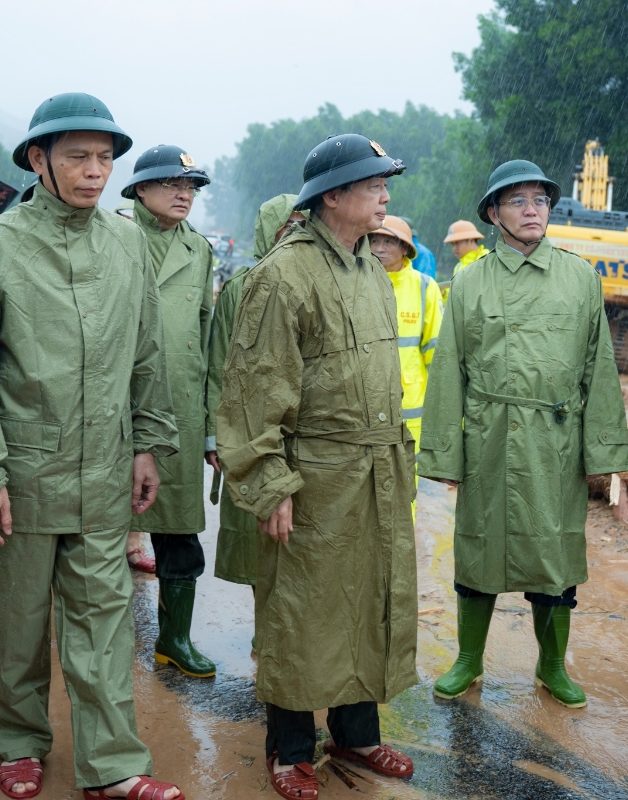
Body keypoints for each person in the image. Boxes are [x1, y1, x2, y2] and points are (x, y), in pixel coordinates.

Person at [0, 92, 184, 800]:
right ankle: (17, 741)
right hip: (23, 473)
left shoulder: (126, 241)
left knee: (105, 622)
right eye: (77, 156)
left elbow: (146, 353)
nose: (94, 171)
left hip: (106, 469)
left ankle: (112, 766)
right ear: (38, 160)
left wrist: (147, 443)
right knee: (15, 620)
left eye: (105, 158)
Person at [217, 134, 417, 800]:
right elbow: (253, 390)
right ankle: (291, 746)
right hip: (314, 477)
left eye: (386, 184)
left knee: (365, 603)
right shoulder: (284, 274)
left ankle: (357, 733)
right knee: (301, 612)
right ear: (332, 195)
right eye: (373, 184)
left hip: (374, 473)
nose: (386, 195)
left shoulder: (369, 270)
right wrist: (270, 482)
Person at [417, 160, 628, 708]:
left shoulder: (580, 277)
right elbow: (450, 369)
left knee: (554, 551)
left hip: (555, 440)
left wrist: (604, 452)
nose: (533, 209)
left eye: (539, 199)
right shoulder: (470, 279)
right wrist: (444, 453)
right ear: (493, 215)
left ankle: (551, 665)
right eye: (518, 201)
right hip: (490, 435)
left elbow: (598, 368)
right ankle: (468, 659)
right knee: (479, 548)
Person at [121, 144, 216, 678]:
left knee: (179, 533)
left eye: (192, 187)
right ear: (138, 190)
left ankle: (173, 639)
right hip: (114, 406)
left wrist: (210, 429)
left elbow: (203, 340)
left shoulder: (198, 250)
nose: (185, 194)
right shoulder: (111, 236)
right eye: (172, 184)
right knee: (98, 528)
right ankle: (92, 642)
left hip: (178, 409)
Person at [206, 194, 305, 591]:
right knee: (258, 526)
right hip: (251, 429)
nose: (297, 236)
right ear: (269, 232)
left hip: (305, 431)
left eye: (305, 226)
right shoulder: (240, 290)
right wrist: (216, 436)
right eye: (289, 227)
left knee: (305, 533)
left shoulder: (323, 285)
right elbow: (218, 367)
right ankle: (264, 629)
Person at [368, 214, 442, 452]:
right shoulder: (356, 282)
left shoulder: (424, 287)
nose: (379, 249)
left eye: (388, 242)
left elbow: (437, 351)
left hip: (411, 403)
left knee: (409, 474)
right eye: (374, 241)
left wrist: (441, 405)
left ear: (404, 248)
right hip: (365, 402)